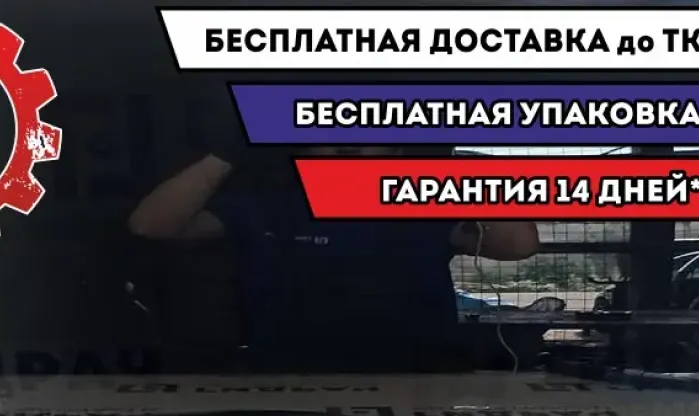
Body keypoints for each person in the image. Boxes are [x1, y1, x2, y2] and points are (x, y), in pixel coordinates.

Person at [127, 138, 541, 373]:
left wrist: (455, 166)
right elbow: (150, 225)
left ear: (396, 150)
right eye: (331, 139)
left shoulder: (423, 201)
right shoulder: (266, 204)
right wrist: (229, 150)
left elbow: (518, 244)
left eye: (365, 139)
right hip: (289, 385)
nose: (347, 149)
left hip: (418, 383)